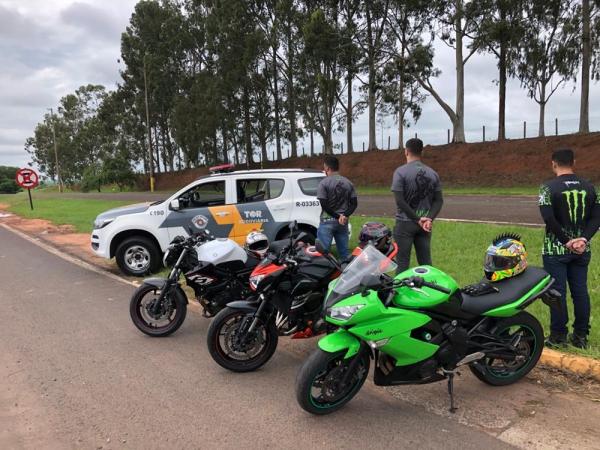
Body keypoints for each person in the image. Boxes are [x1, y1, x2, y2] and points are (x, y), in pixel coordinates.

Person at [539, 149, 599, 349]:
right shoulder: (591, 187)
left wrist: (566, 241)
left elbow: (548, 218)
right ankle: (581, 336)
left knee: (556, 293)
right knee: (580, 291)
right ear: (574, 162)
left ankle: (558, 336)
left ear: (553, 163)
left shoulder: (547, 188)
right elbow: (597, 217)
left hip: (555, 249)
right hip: (582, 249)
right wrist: (583, 239)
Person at [391, 138, 443, 273]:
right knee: (426, 262)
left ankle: (399, 292)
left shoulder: (400, 172)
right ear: (422, 152)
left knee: (402, 263)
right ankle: (432, 290)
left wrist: (416, 219)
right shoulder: (433, 173)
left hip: (405, 223)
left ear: (406, 151)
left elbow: (400, 201)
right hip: (425, 225)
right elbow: (439, 200)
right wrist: (429, 218)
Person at [316, 155, 357, 260]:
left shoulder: (323, 183)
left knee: (323, 254)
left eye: (324, 168)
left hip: (327, 221)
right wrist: (344, 216)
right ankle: (346, 273)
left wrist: (337, 216)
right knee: (344, 253)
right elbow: (354, 204)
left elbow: (324, 205)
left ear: (327, 168)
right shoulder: (348, 183)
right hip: (343, 222)